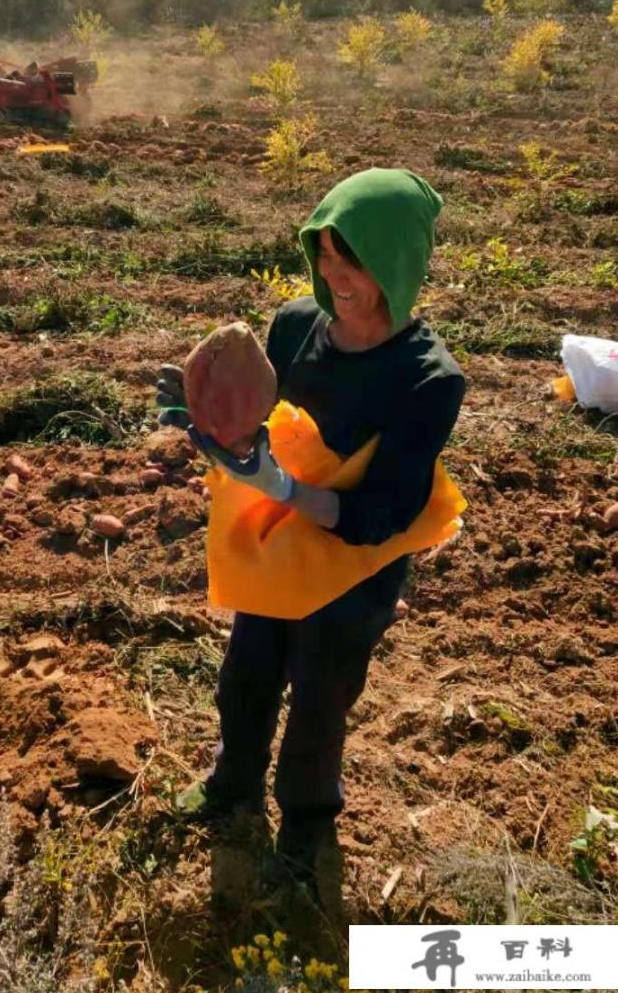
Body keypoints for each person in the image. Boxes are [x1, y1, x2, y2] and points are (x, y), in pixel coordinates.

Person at [156, 168, 466, 901]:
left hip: (357, 564)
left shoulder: (427, 379)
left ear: (396, 260)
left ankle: (304, 829)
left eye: (351, 258)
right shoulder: (296, 325)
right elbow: (265, 426)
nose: (334, 275)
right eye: (323, 254)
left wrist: (285, 487)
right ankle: (232, 784)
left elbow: (379, 514)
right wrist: (221, 433)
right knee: (248, 674)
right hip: (281, 541)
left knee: (321, 698)